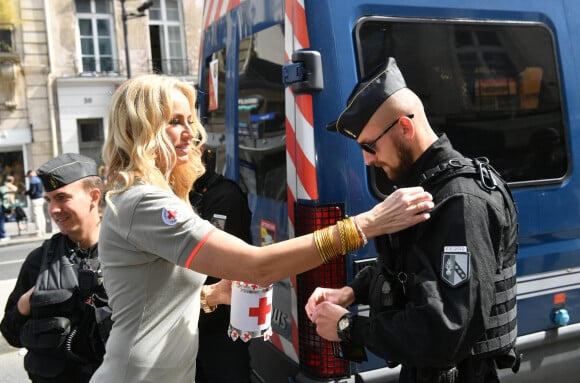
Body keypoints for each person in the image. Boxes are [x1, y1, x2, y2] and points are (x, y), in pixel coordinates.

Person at [90, 74, 434, 383]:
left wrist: (212, 295)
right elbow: (258, 265)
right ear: (142, 128)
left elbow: (148, 298)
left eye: (190, 121)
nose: (189, 133)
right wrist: (365, 224)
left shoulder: (148, 197)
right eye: (174, 122)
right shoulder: (145, 202)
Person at [306, 57, 519, 383]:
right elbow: (409, 267)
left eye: (370, 146)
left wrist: (348, 327)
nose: (367, 159)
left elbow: (447, 332)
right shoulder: (426, 187)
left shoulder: (461, 202)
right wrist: (350, 292)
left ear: (405, 127)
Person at [0, 153, 112, 383]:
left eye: (62, 198)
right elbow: (10, 333)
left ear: (93, 196)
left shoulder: (125, 253)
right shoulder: (39, 261)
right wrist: (28, 302)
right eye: (49, 200)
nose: (53, 209)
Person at [189, 147, 253, 383]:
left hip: (222, 322)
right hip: (192, 322)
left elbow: (211, 255)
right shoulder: (183, 195)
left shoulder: (224, 195)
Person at [26, 169, 47, 236]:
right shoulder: (39, 179)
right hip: (41, 198)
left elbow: (32, 191)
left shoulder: (33, 180)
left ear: (30, 174)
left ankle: (39, 231)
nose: (28, 177)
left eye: (28, 176)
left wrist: (26, 193)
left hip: (35, 199)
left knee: (37, 215)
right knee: (41, 215)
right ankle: (43, 230)